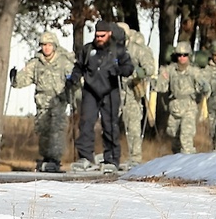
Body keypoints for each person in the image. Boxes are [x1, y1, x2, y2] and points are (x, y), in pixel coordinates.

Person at [66, 20, 134, 173]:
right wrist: (74, 78)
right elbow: (79, 66)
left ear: (109, 34)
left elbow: (129, 67)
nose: (99, 38)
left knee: (110, 124)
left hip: (110, 90)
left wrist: (120, 70)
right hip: (90, 90)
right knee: (86, 123)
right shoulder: (88, 49)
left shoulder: (118, 50)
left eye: (102, 35)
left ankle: (111, 158)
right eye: (97, 35)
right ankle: (85, 157)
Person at [9, 31, 76, 172]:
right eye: (44, 45)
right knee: (43, 129)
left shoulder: (64, 61)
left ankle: (55, 159)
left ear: (54, 46)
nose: (46, 48)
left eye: (49, 45)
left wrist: (73, 84)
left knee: (56, 129)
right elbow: (24, 78)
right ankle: (46, 157)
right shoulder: (36, 63)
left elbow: (75, 79)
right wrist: (15, 78)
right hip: (42, 103)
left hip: (58, 100)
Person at [152, 41, 208, 154]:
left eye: (185, 55)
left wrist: (205, 88)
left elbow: (204, 86)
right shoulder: (170, 70)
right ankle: (178, 165)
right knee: (175, 139)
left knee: (186, 137)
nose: (182, 58)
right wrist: (156, 81)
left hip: (189, 107)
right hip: (175, 108)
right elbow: (161, 87)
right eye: (179, 55)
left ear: (189, 56)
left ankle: (189, 163)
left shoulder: (194, 71)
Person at [117, 23, 156, 168]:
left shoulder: (137, 49)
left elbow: (150, 67)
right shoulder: (112, 49)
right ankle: (112, 155)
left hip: (132, 90)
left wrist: (142, 72)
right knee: (110, 123)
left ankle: (135, 157)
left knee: (133, 124)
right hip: (115, 90)